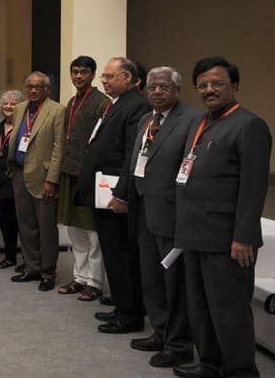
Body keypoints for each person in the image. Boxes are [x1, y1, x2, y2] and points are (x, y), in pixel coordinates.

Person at [172, 56, 270, 378]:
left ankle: (240, 371)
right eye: (202, 85)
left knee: (229, 312)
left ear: (235, 87)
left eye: (217, 83)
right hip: (194, 235)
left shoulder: (249, 125)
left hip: (227, 240)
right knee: (201, 309)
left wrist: (243, 236)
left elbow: (254, 187)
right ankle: (210, 365)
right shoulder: (202, 123)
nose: (209, 90)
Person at [127, 66, 200, 368]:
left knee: (175, 284)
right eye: (153, 87)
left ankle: (179, 344)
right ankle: (160, 332)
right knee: (152, 279)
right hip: (144, 210)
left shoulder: (192, 120)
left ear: (177, 91)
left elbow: (190, 172)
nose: (157, 92)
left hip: (172, 215)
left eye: (164, 87)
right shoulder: (147, 119)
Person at [79, 57, 150, 333]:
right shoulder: (117, 103)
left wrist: (122, 194)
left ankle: (131, 314)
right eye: (104, 77)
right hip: (103, 193)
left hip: (116, 197)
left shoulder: (136, 106)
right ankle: (123, 303)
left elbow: (132, 155)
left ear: (130, 78)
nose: (104, 80)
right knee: (113, 252)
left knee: (123, 254)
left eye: (110, 76)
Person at [56, 56, 111, 301]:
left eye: (84, 72)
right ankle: (79, 277)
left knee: (92, 233)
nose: (79, 76)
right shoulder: (71, 101)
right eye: (75, 72)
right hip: (69, 172)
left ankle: (95, 282)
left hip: (89, 175)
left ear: (92, 75)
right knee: (74, 229)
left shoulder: (102, 103)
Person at [6, 72, 65, 292]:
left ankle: (48, 272)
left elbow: (59, 147)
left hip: (44, 178)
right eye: (29, 86)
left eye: (37, 87)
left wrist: (52, 180)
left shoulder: (57, 110)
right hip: (20, 174)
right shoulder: (20, 108)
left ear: (47, 90)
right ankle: (32, 268)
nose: (32, 91)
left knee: (46, 228)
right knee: (26, 225)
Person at [0, 90, 25, 269]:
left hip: (18, 180)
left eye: (13, 103)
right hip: (0, 181)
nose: (8, 106)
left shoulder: (23, 128)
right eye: (6, 103)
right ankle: (10, 256)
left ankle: (28, 260)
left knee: (22, 222)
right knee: (4, 221)